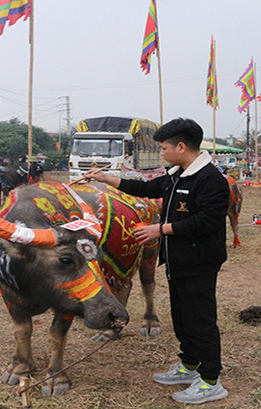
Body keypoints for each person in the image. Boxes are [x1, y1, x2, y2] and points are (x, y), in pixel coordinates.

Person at [83, 118, 229, 404]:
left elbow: (207, 222)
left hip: (200, 261)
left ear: (181, 146)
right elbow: (146, 189)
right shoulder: (177, 174)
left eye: (163, 148)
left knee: (200, 320)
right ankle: (189, 365)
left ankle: (211, 380)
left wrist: (159, 229)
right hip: (178, 261)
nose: (161, 153)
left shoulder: (210, 180)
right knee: (181, 317)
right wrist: (105, 179)